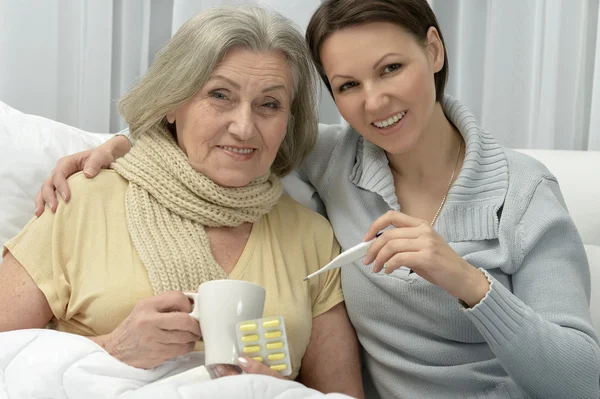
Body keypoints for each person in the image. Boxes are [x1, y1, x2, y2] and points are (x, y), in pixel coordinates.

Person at [31, 0, 600, 398]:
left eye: (391, 68)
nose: (375, 102)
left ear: (433, 50)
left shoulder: (524, 194)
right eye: (348, 86)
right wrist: (117, 145)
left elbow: (583, 380)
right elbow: (231, 135)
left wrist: (470, 284)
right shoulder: (337, 160)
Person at [0, 5, 364, 397]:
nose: (244, 127)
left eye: (270, 104)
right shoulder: (80, 202)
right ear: (173, 103)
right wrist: (113, 349)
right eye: (220, 95)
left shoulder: (310, 236)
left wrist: (272, 389)